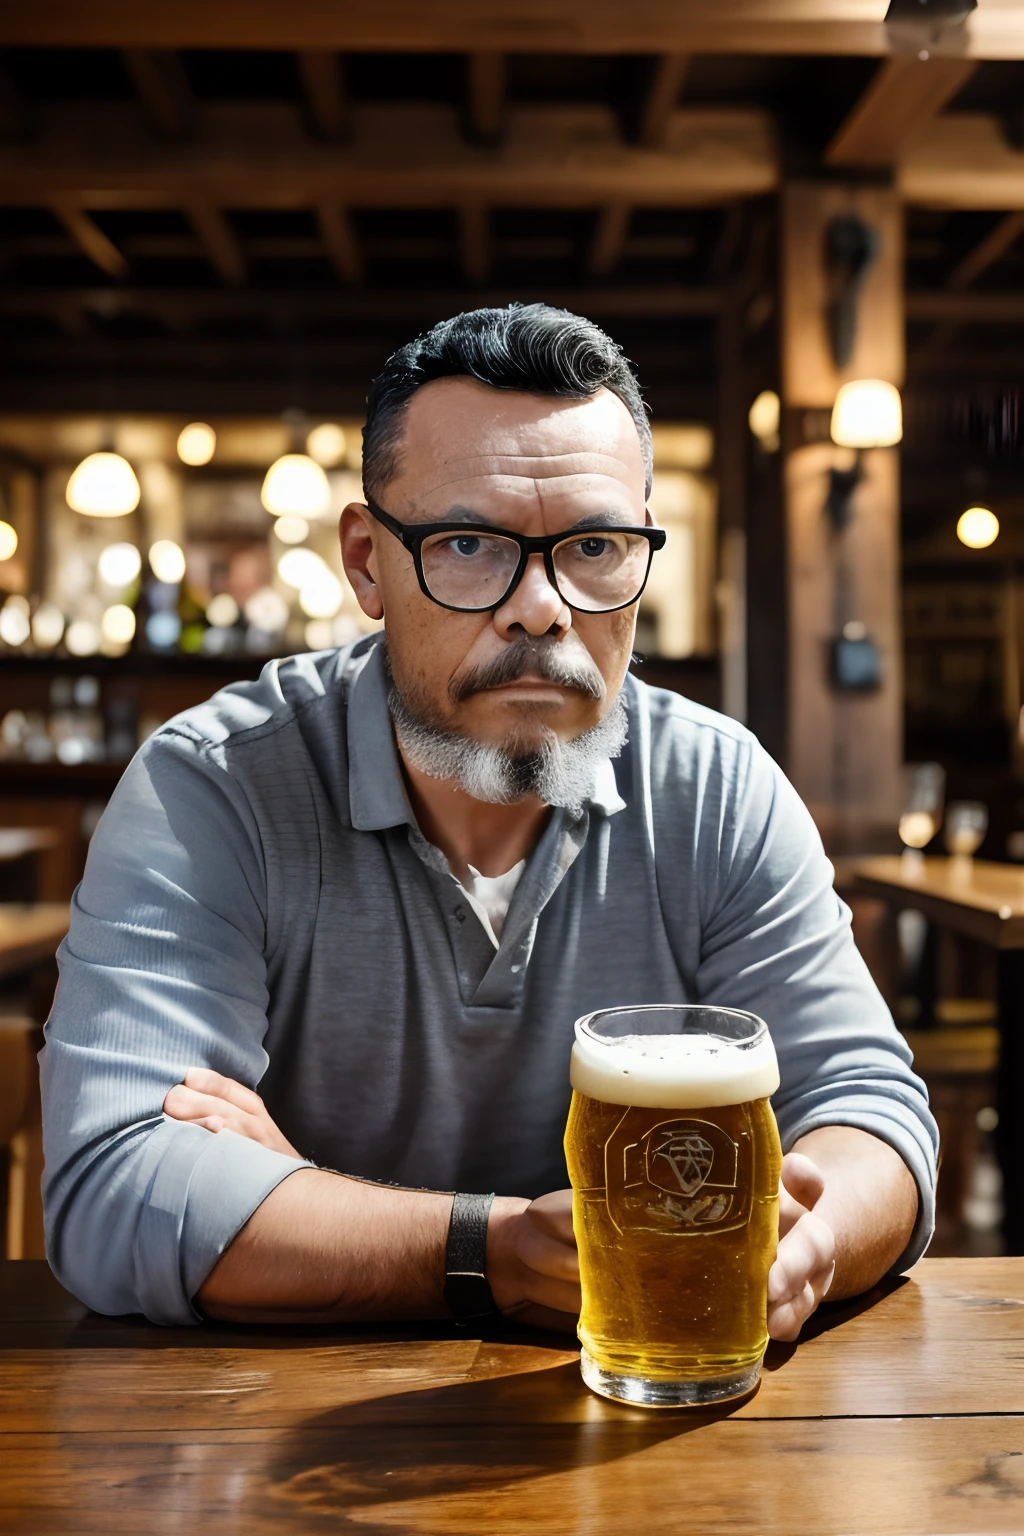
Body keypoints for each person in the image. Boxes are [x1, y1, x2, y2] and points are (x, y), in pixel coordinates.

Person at [41, 304, 936, 1341]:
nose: (543, 607)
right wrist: (494, 1251)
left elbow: (872, 1113)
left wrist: (798, 1252)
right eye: (470, 544)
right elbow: (117, 1191)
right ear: (368, 562)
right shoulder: (217, 788)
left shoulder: (715, 785)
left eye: (594, 545)